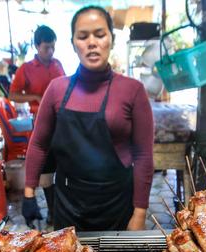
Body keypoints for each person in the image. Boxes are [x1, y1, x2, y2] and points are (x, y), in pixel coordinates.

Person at [22, 6, 154, 231]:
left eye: (100, 34)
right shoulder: (56, 89)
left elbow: (143, 155)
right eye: (83, 37)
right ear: (73, 43)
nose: (92, 43)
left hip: (117, 204)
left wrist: (140, 212)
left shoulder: (133, 90)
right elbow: (39, 143)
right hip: (68, 204)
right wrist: (28, 193)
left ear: (111, 38)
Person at [9, 25, 65, 225]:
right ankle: (52, 211)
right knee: (47, 172)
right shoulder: (26, 69)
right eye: (46, 48)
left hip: (62, 124)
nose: (50, 52)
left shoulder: (58, 64)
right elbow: (12, 94)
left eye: (53, 47)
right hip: (41, 124)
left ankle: (64, 207)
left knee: (65, 168)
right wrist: (34, 96)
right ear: (36, 46)